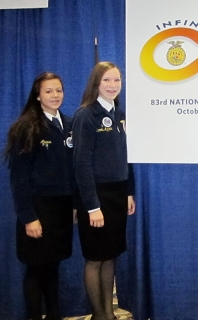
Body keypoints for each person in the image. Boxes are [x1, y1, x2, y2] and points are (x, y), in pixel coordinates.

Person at [4, 72, 74, 320]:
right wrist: (28, 218)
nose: (55, 95)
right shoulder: (27, 127)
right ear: (37, 95)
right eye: (48, 91)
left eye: (58, 90)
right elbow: (19, 179)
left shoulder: (68, 125)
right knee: (36, 269)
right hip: (37, 211)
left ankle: (54, 315)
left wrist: (74, 206)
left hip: (61, 211)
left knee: (53, 268)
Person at [72, 61, 135, 320]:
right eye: (107, 80)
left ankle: (109, 312)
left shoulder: (120, 113)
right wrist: (92, 206)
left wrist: (129, 192)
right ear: (96, 84)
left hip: (118, 194)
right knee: (95, 258)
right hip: (96, 196)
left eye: (117, 80)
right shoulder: (86, 115)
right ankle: (99, 315)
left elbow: (125, 157)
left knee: (111, 256)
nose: (112, 85)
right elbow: (81, 164)